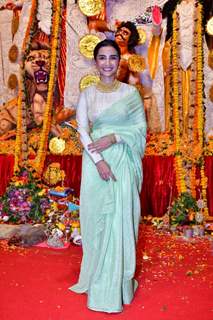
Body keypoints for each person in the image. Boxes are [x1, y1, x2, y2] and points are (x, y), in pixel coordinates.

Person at [69, 39, 147, 313]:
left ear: (119, 61)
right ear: (95, 62)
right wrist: (100, 161)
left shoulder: (131, 94)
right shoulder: (88, 94)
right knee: (98, 219)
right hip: (95, 163)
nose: (107, 63)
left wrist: (114, 137)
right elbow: (82, 130)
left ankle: (115, 288)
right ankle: (99, 278)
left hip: (123, 161)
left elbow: (140, 130)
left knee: (120, 221)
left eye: (112, 58)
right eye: (102, 58)